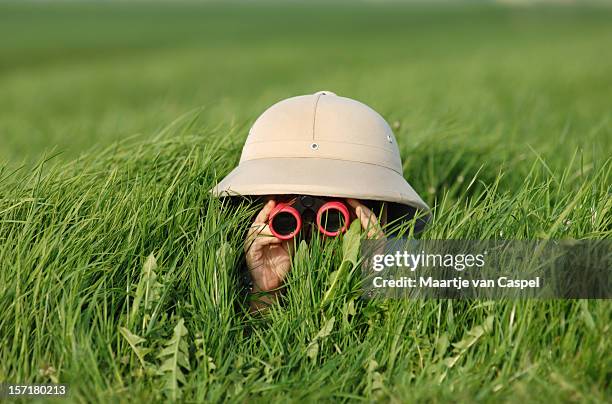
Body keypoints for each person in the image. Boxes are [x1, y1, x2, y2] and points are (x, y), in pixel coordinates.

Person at [212, 91, 430, 311]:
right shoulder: (224, 275)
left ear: (374, 212)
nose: (312, 225)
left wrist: (375, 275)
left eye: (333, 216)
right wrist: (265, 289)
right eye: (287, 214)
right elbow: (244, 344)